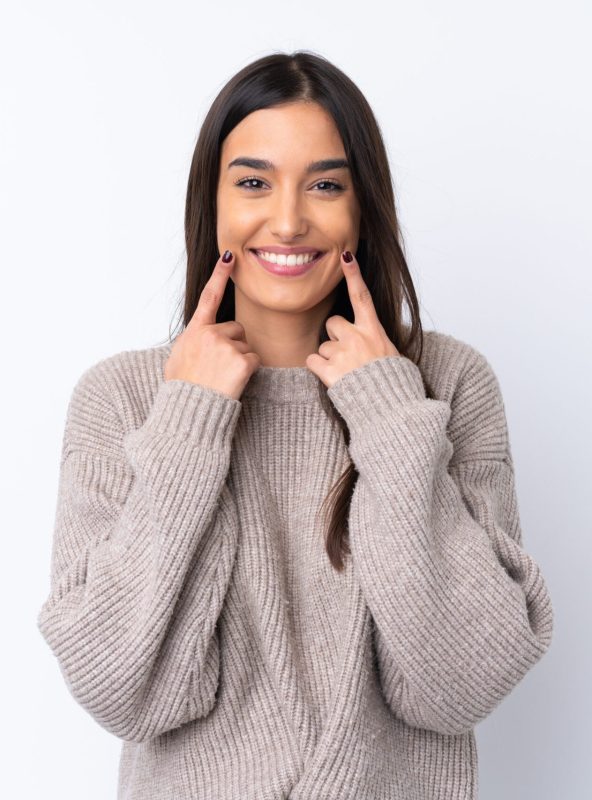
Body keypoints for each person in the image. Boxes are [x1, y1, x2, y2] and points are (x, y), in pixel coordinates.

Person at [37, 51, 554, 799]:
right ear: (210, 203)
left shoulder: (447, 384)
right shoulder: (122, 397)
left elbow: (461, 684)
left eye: (325, 185)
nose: (287, 219)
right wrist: (189, 422)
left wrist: (389, 412)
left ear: (362, 208)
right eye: (252, 182)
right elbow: (123, 690)